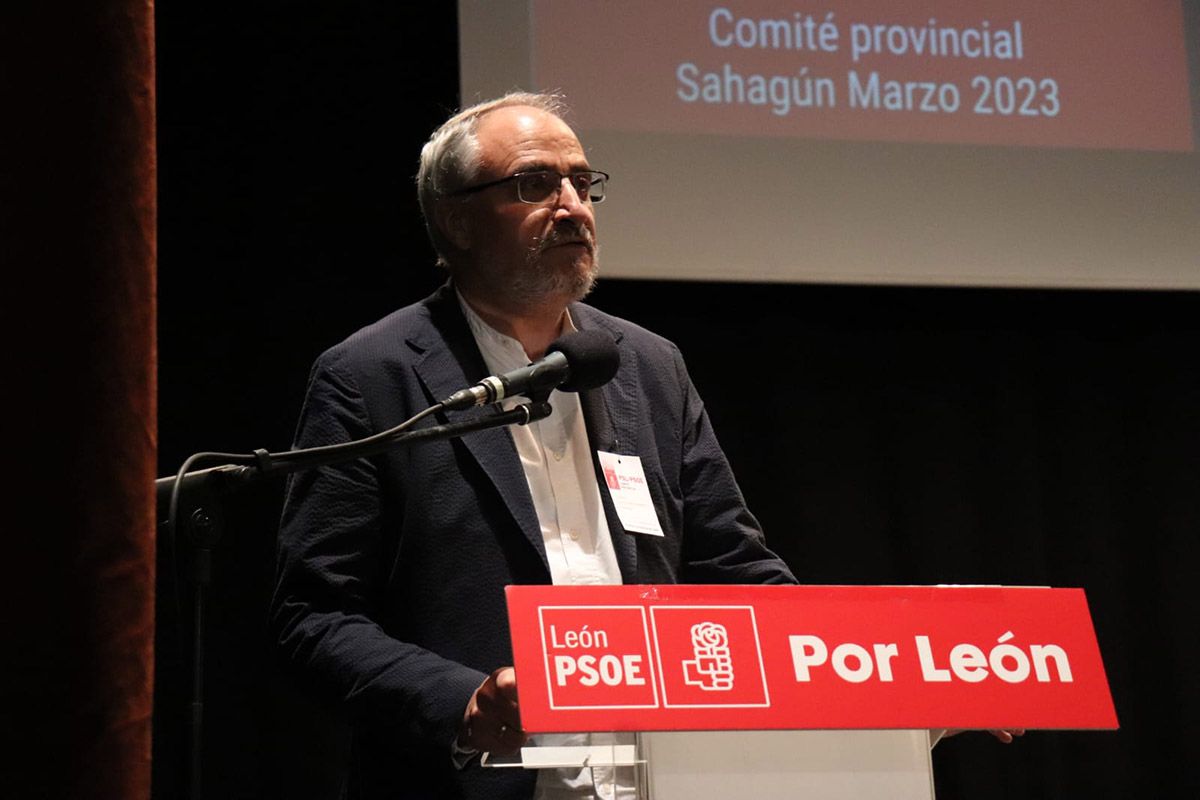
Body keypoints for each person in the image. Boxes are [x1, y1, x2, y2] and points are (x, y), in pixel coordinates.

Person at [270, 92, 797, 800]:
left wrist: (866, 666)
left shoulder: (648, 365)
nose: (573, 206)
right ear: (456, 220)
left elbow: (736, 569)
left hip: (661, 777)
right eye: (535, 184)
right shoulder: (372, 376)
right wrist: (463, 701)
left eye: (582, 181)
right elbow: (313, 618)